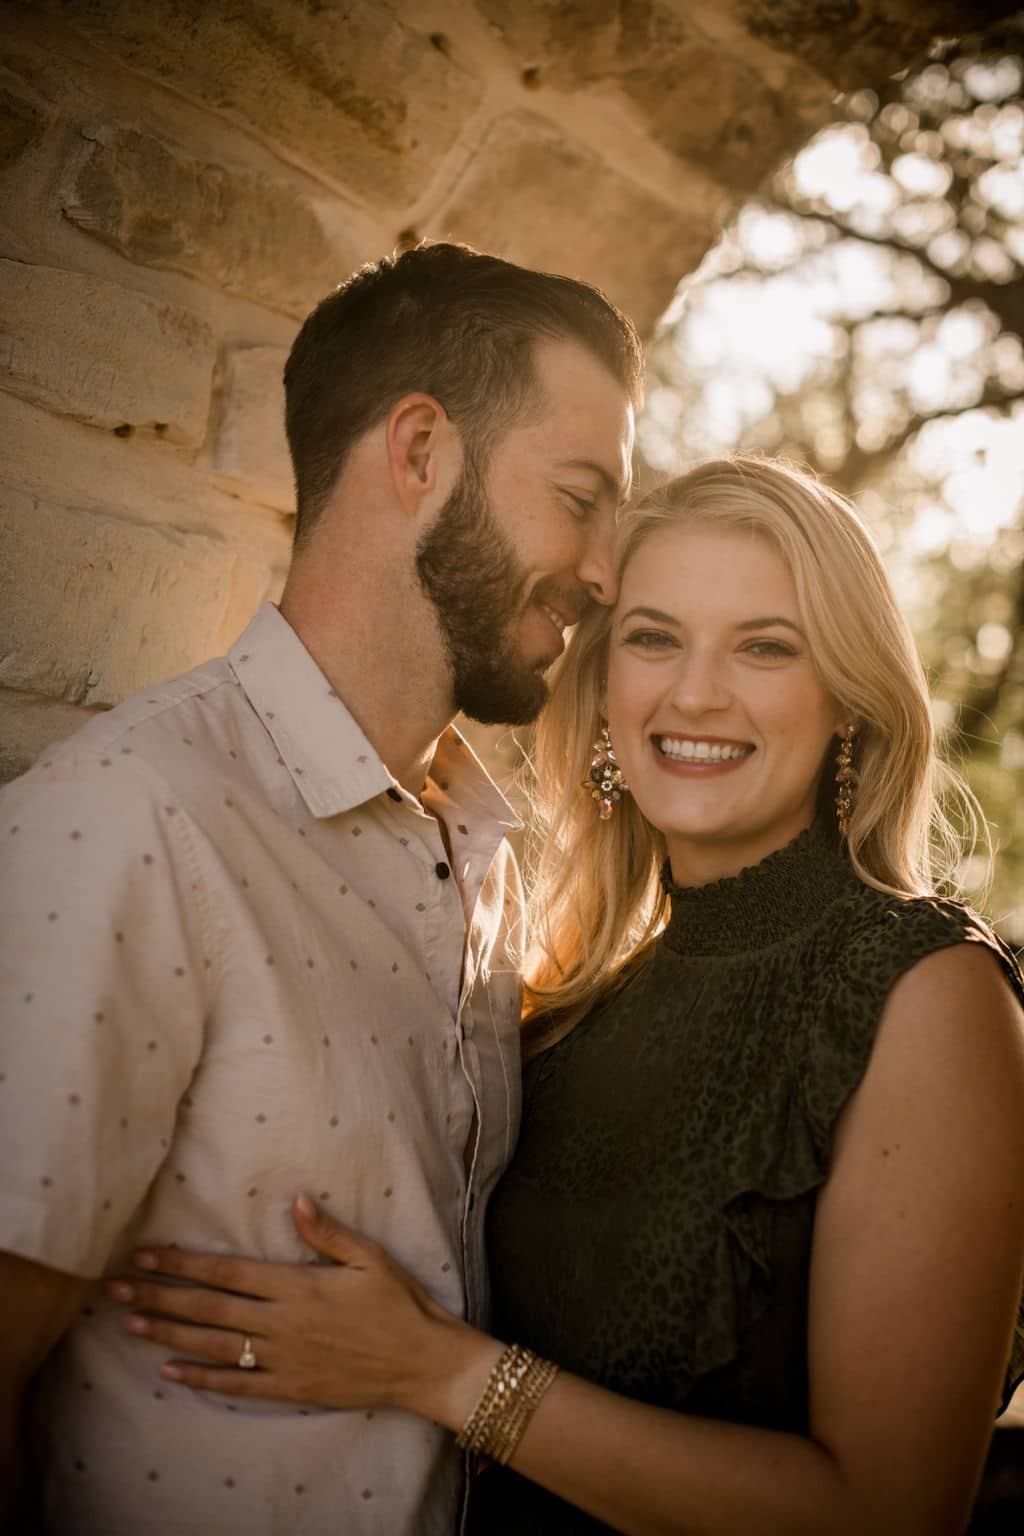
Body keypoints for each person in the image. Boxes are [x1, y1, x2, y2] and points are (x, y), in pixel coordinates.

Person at [109, 457, 1024, 1535]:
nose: (694, 692)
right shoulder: (576, 1006)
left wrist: (445, 1375)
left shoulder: (927, 992)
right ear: (600, 694)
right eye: (652, 637)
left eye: (765, 646)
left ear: (848, 702)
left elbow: (888, 1511)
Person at [0, 241, 642, 1533]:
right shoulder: (134, 818)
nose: (609, 570)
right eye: (582, 496)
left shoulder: (484, 848)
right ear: (419, 452)